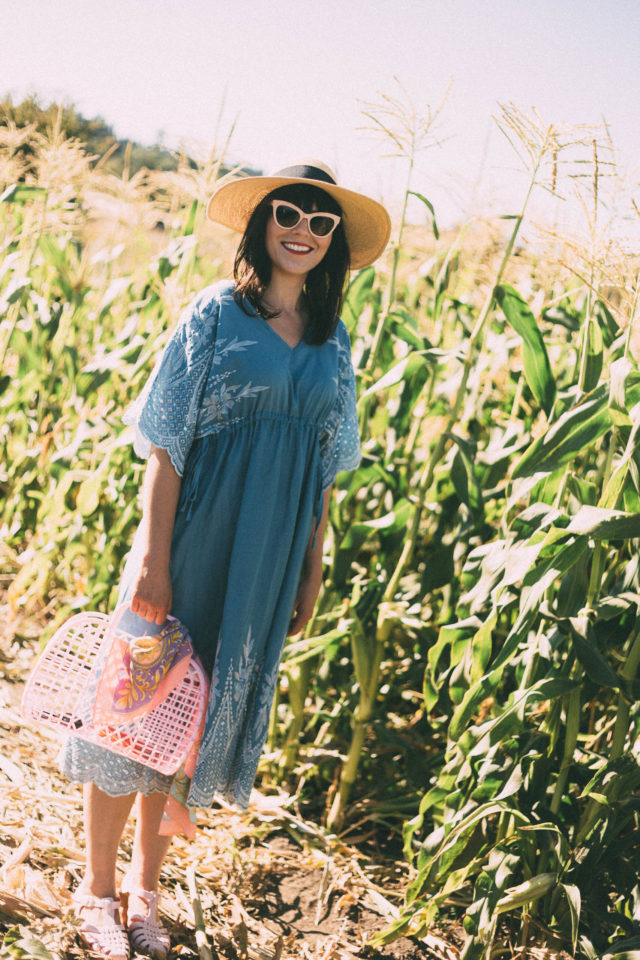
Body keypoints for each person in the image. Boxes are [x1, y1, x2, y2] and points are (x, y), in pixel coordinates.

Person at [59, 160, 390, 959]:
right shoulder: (214, 316)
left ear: (335, 240)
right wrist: (151, 555)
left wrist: (311, 566)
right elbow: (166, 445)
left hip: (270, 555)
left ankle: (146, 891)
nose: (304, 231)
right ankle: (96, 892)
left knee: (192, 720)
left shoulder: (331, 340)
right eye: (289, 213)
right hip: (197, 536)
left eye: (321, 220)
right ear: (262, 223)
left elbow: (324, 465)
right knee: (134, 710)